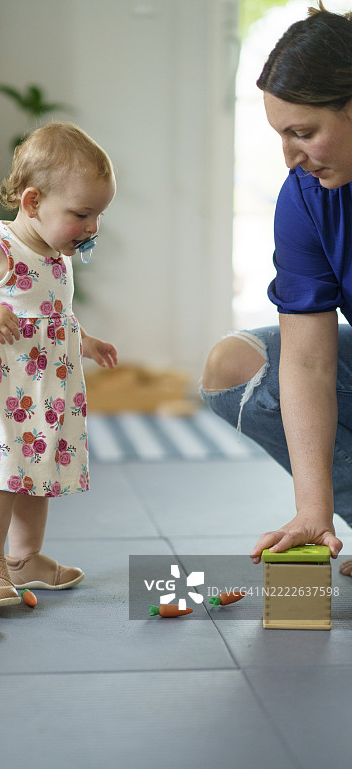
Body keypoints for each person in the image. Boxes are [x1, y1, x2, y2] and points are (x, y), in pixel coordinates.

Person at [0, 121, 117, 607]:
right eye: (82, 214)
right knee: (1, 474)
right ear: (32, 202)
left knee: (37, 474)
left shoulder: (57, 256)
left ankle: (25, 558)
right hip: (0, 389)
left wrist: (86, 341)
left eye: (98, 215)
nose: (92, 227)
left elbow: (52, 317)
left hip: (45, 392)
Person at [200, 2, 352, 577]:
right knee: (234, 363)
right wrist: (313, 512)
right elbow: (309, 361)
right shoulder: (307, 196)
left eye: (304, 133)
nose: (289, 157)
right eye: (281, 135)